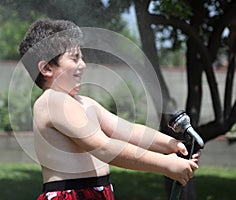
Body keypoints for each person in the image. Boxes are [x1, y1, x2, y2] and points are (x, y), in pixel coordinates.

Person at [19, 19, 200, 200]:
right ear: (46, 68)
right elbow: (103, 148)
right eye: (74, 58)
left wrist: (172, 145)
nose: (83, 64)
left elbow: (130, 131)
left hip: (98, 192)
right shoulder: (52, 101)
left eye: (82, 57)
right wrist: (165, 164)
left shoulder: (85, 103)